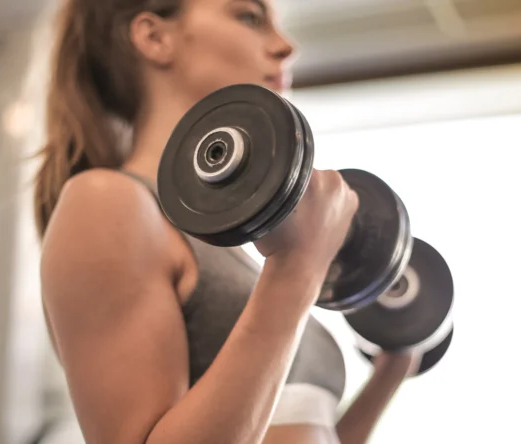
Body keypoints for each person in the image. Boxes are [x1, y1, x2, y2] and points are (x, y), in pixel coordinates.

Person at [34, 0, 419, 443]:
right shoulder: (107, 202)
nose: (285, 46)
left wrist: (392, 369)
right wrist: (298, 269)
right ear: (155, 38)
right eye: (249, 17)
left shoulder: (242, 249)